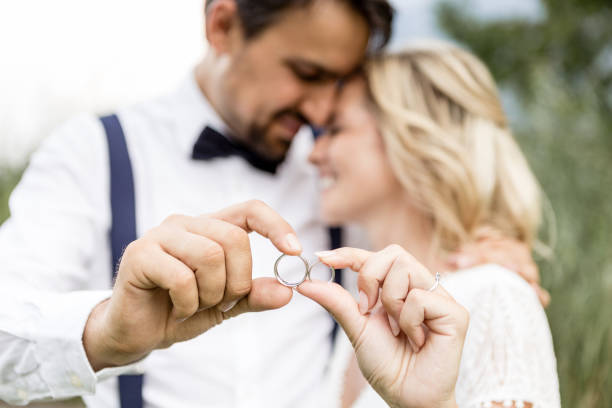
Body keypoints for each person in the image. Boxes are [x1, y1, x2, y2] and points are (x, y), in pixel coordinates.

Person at [0, 1, 543, 406]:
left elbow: (435, 238)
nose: (321, 108)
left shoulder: (341, 172)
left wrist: (488, 257)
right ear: (222, 27)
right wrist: (104, 331)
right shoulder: (91, 154)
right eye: (308, 74)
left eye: (338, 84)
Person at [304, 40, 561, 407]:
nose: (314, 154)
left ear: (410, 137)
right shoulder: (364, 308)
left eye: (335, 129)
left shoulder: (495, 297)